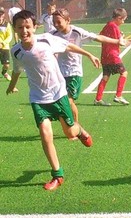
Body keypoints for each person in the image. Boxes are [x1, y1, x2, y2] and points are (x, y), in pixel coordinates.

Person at [6, 10, 101, 191]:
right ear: (15, 29)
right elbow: (17, 69)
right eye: (20, 27)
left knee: (70, 132)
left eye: (28, 27)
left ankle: (80, 131)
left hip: (58, 94)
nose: (24, 31)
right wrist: (12, 85)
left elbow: (69, 46)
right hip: (38, 98)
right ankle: (57, 174)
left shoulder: (46, 40)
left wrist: (89, 55)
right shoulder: (16, 51)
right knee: (45, 133)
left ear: (35, 27)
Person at [51, 8, 125, 121]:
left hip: (73, 73)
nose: (56, 25)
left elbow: (98, 37)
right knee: (59, 101)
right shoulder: (53, 35)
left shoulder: (77, 32)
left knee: (68, 101)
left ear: (68, 20)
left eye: (59, 22)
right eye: (54, 22)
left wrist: (117, 41)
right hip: (58, 73)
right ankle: (70, 124)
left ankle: (75, 127)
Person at [94, 8, 131, 106]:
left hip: (105, 55)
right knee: (124, 73)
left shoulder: (107, 25)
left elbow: (101, 36)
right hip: (112, 55)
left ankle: (98, 99)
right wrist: (125, 41)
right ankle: (118, 96)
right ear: (119, 18)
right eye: (123, 20)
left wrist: (121, 36)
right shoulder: (114, 26)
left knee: (105, 76)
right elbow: (120, 42)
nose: (123, 22)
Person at [0, 7, 14, 82]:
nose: (0, 15)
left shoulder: (7, 24)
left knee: (6, 65)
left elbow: (10, 36)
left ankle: (4, 72)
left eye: (1, 13)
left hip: (4, 47)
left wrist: (3, 43)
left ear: (3, 15)